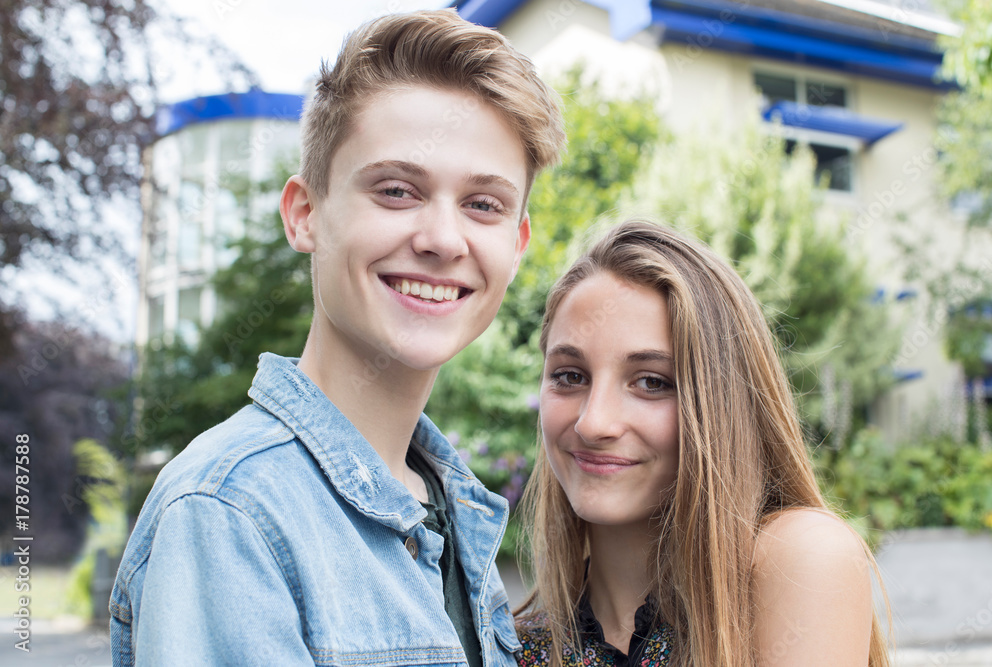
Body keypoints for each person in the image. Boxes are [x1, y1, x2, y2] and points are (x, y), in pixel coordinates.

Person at [109, 9, 564, 666]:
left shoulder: (449, 506)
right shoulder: (228, 516)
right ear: (305, 214)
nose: (441, 238)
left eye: (483, 203)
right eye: (397, 190)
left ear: (516, 245)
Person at [514, 220, 890, 666]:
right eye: (570, 376)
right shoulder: (516, 648)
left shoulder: (799, 560)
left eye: (652, 382)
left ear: (721, 404)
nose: (593, 423)